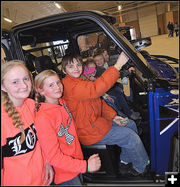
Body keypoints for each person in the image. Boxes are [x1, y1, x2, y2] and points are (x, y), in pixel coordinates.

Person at [61, 53, 150, 176]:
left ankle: (124, 161)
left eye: (78, 64)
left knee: (130, 125)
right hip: (89, 131)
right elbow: (96, 89)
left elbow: (99, 103)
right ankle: (141, 168)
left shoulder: (81, 79)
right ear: (64, 70)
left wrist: (114, 116)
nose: (76, 68)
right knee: (131, 137)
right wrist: (117, 65)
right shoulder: (69, 86)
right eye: (71, 66)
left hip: (97, 122)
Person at [34, 69, 101, 185]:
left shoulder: (61, 102)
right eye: (51, 85)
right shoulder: (43, 118)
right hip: (65, 174)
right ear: (41, 91)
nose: (57, 87)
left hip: (75, 163)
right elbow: (53, 157)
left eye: (58, 82)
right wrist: (85, 166)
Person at [1, 60, 54, 186]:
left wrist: (47, 162)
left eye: (26, 79)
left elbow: (42, 140)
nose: (24, 85)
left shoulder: (32, 106)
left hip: (42, 179)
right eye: (15, 82)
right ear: (3, 86)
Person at [93, 49, 141, 120]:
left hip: (108, 86)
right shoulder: (99, 70)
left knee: (120, 86)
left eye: (100, 59)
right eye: (96, 61)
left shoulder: (105, 65)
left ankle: (127, 106)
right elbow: (113, 75)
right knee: (119, 94)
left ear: (103, 59)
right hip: (106, 89)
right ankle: (129, 113)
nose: (99, 62)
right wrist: (127, 71)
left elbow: (112, 65)